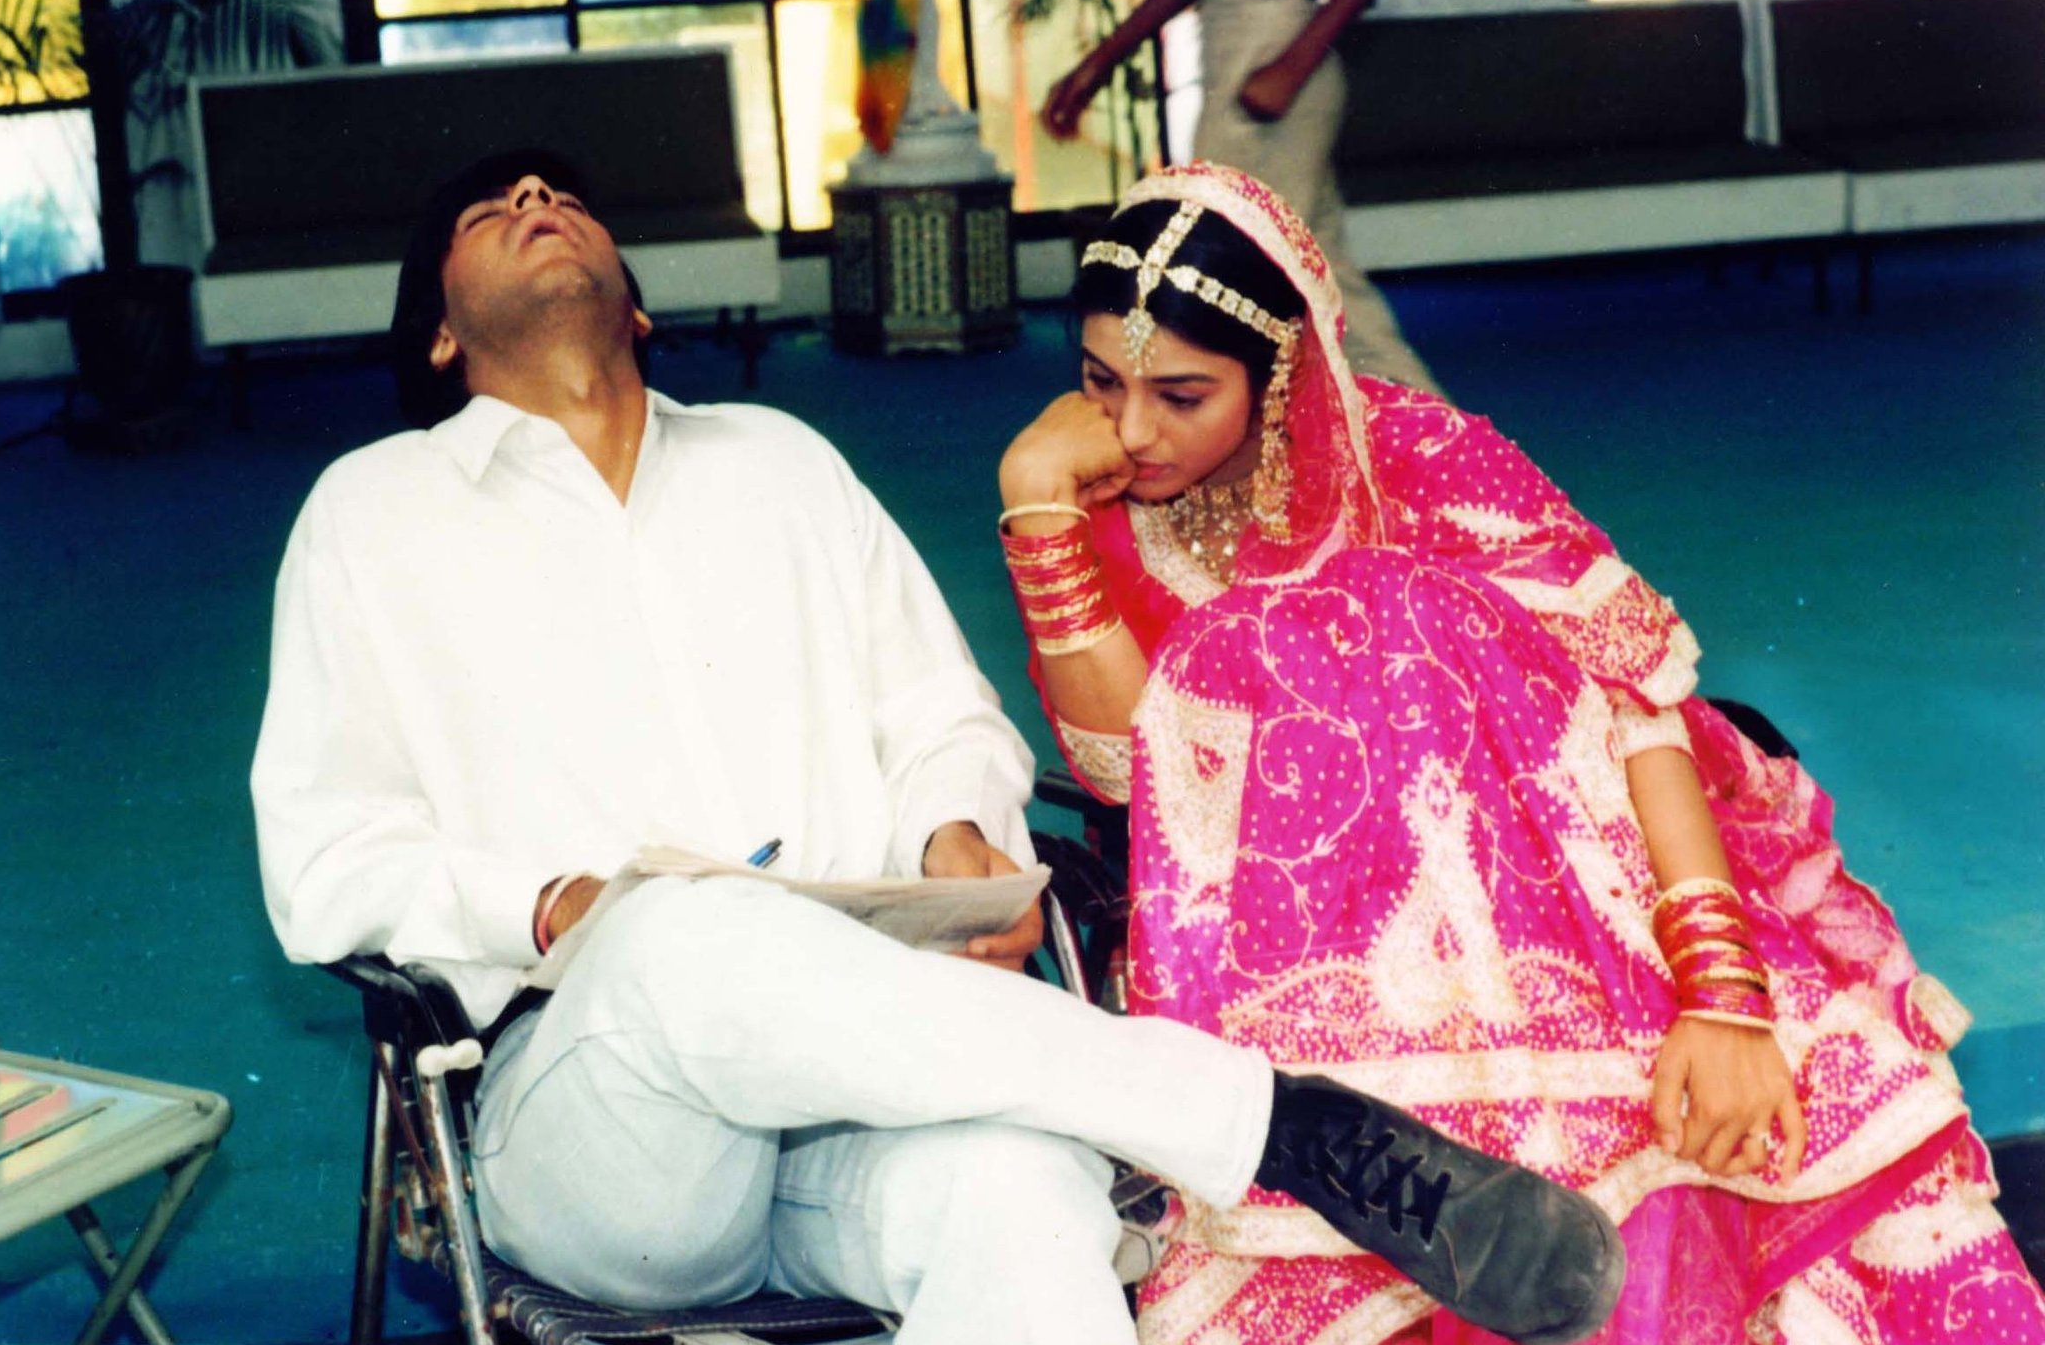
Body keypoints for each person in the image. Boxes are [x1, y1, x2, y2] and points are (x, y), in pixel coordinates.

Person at [249, 150, 1630, 1345]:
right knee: (676, 925)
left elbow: (942, 716)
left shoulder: (777, 462)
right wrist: (551, 905)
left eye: (559, 195)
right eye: (490, 210)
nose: (534, 197)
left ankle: (1236, 1122)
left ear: (642, 306)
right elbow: (324, 859)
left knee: (1027, 1198)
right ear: (441, 335)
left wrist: (957, 830)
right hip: (601, 1124)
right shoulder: (372, 515)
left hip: (874, 1088)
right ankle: (1272, 1124)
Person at [996, 161, 2045, 1345]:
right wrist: (1038, 511)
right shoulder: (1090, 496)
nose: (1130, 430)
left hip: (1569, 923)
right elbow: (1130, 775)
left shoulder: (1421, 463)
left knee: (1392, 615)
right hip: (1280, 967)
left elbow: (1639, 718)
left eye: (1180, 394)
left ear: (1279, 372)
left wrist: (1722, 999)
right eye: (1099, 381)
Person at [1040, 0, 1439, 396]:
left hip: (1279, 69)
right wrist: (1098, 63)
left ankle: (1413, 410)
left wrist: (1291, 68)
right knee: (1312, 266)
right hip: (1235, 67)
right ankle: (1415, 412)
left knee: (1257, 262)